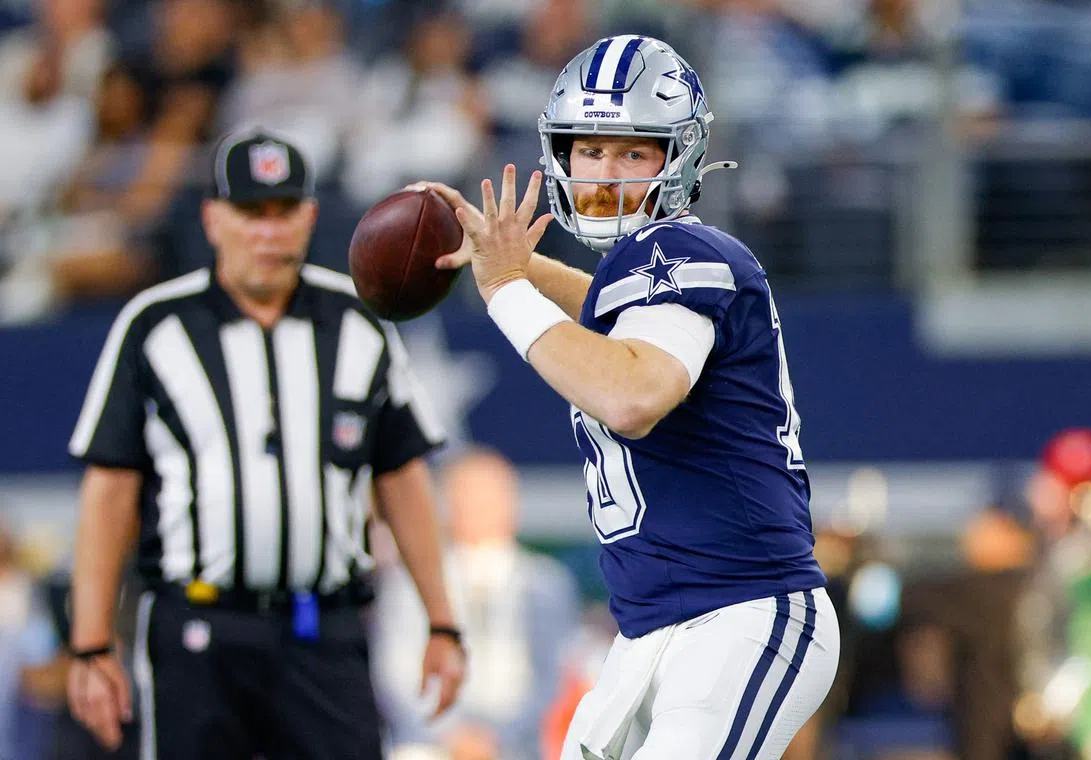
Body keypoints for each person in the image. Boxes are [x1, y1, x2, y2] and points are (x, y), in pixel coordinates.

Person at [422, 35, 841, 760]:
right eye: (590, 151)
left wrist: (504, 290)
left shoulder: (688, 252)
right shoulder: (646, 275)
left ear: (677, 158)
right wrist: (525, 271)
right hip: (652, 630)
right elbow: (614, 326)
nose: (606, 173)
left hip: (738, 610)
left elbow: (632, 393)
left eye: (633, 152)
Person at [65, 127, 466, 759]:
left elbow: (402, 476)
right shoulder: (154, 325)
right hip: (197, 625)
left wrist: (442, 621)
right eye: (252, 212)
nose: (269, 232)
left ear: (310, 216)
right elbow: (110, 489)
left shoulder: (361, 321)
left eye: (285, 212)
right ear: (213, 218)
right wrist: (91, 643)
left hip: (324, 629)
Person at [374, 446, 581, 760]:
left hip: (515, 748)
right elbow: (394, 675)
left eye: (489, 498)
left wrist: (492, 739)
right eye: (467, 497)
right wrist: (451, 735)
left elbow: (551, 679)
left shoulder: (545, 583)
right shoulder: (411, 581)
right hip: (428, 744)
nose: (478, 508)